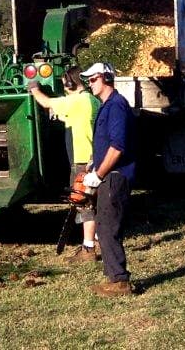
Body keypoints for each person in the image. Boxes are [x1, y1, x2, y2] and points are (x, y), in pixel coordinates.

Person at [27, 66, 100, 262]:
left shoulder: (75, 101)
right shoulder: (92, 100)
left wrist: (33, 87)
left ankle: (88, 248)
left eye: (63, 83)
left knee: (84, 203)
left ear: (69, 82)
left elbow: (45, 102)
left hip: (81, 158)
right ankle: (97, 240)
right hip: (94, 157)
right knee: (94, 202)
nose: (64, 87)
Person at [80, 61, 136, 297]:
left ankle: (120, 281)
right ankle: (114, 277)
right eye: (88, 80)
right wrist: (93, 162)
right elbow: (106, 144)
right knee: (104, 226)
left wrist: (98, 175)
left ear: (105, 78)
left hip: (114, 177)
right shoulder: (106, 106)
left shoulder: (116, 106)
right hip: (107, 175)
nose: (89, 83)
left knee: (108, 228)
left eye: (93, 79)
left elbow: (118, 147)